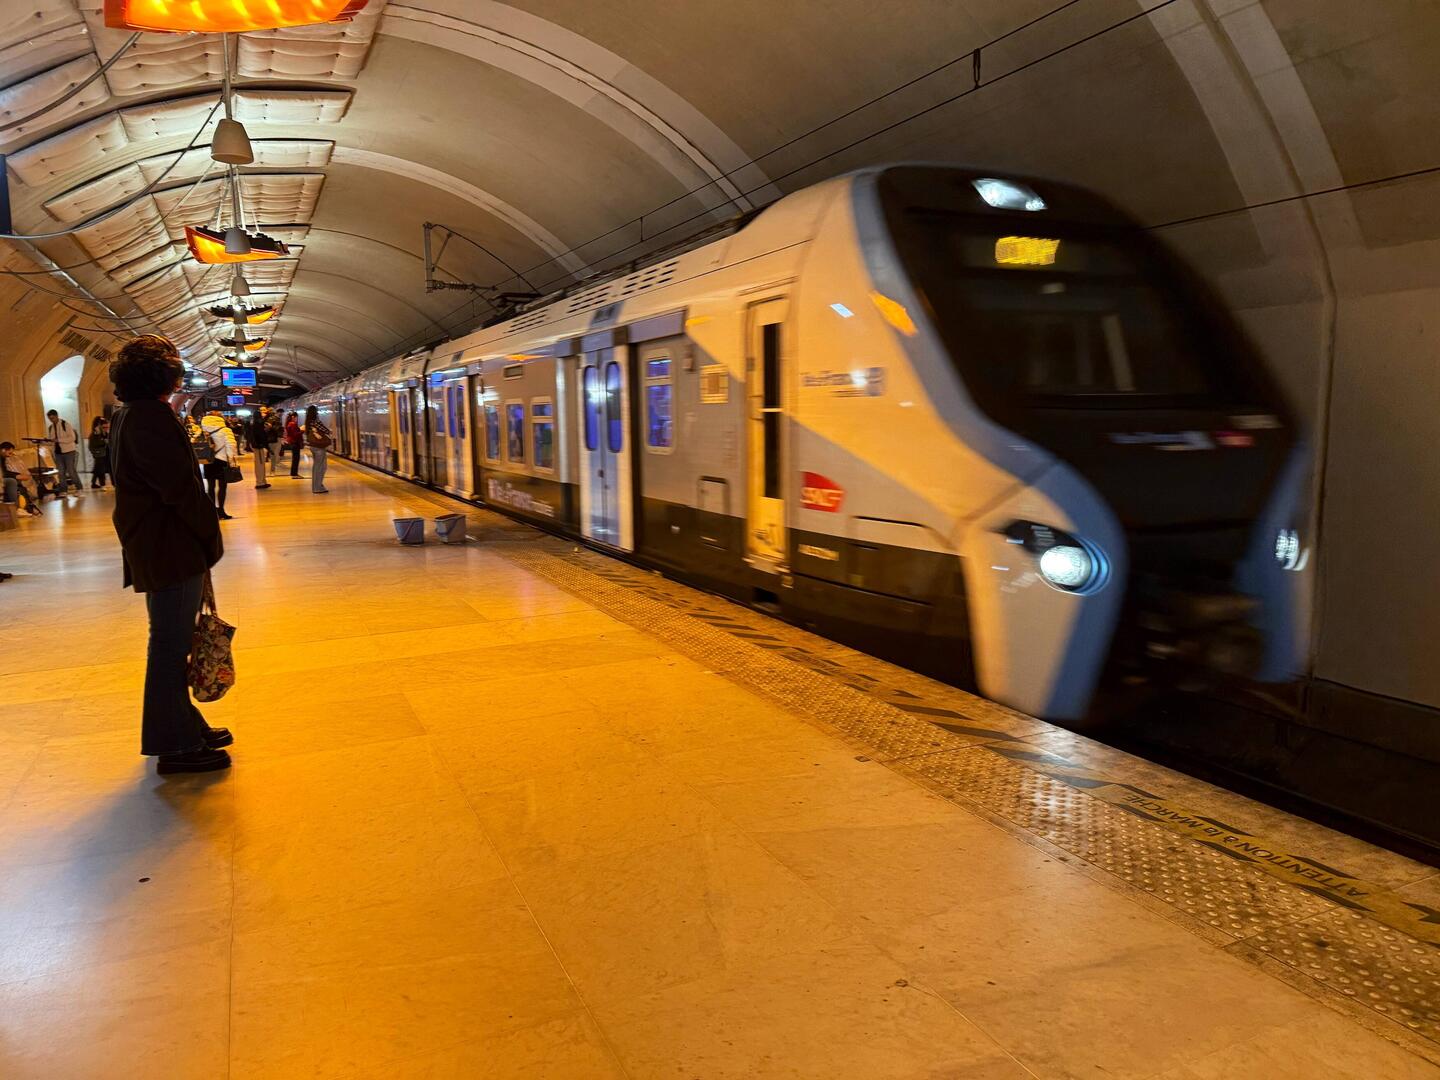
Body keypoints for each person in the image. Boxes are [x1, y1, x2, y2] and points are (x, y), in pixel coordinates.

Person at [108, 335, 232, 774]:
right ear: (167, 377)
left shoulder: (129, 416)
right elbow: (180, 490)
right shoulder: (152, 419)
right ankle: (173, 745)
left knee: (171, 643)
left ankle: (185, 726)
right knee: (168, 646)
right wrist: (208, 540)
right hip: (171, 546)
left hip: (156, 544)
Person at [200, 411, 237, 520]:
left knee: (210, 487)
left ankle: (212, 512)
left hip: (208, 460)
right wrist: (231, 461)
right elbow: (231, 446)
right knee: (222, 487)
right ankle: (221, 511)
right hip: (222, 460)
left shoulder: (203, 430)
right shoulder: (225, 430)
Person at [1, 442, 42, 516]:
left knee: (19, 484)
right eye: (10, 452)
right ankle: (17, 508)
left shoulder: (3, 458)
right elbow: (2, 473)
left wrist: (18, 475)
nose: (11, 454)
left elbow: (4, 471)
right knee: (12, 481)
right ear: (3, 450)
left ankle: (27, 507)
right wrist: (16, 476)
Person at [46, 409, 82, 493]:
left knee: (71, 471)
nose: (52, 420)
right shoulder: (51, 427)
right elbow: (52, 441)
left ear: (57, 416)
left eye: (53, 418)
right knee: (60, 473)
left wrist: (59, 440)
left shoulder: (65, 424)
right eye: (50, 419)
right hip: (58, 453)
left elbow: (72, 438)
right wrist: (45, 442)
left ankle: (79, 488)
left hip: (69, 451)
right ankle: (63, 490)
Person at [304, 405, 332, 494]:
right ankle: (317, 487)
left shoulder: (308, 422)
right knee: (321, 467)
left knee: (317, 467)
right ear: (315, 412)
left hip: (313, 446)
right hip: (319, 447)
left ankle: (317, 486)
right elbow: (326, 431)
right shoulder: (316, 422)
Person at [250, 409, 271, 489]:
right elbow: (261, 436)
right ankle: (260, 483)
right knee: (260, 465)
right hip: (258, 446)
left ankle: (262, 481)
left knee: (260, 465)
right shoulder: (258, 424)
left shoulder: (254, 424)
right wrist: (266, 446)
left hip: (257, 446)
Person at [88, 417, 111, 489]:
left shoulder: (101, 432)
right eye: (103, 426)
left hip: (102, 453)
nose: (105, 428)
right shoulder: (96, 433)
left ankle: (93, 483)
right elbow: (96, 444)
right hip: (99, 453)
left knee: (97, 468)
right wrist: (104, 441)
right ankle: (102, 484)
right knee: (100, 469)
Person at [284, 411, 303, 477]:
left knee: (295, 459)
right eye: (296, 417)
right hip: (295, 442)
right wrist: (302, 431)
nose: (297, 419)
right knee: (296, 459)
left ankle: (293, 473)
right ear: (293, 417)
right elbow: (295, 434)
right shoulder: (292, 424)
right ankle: (294, 474)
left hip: (292, 442)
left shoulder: (288, 423)